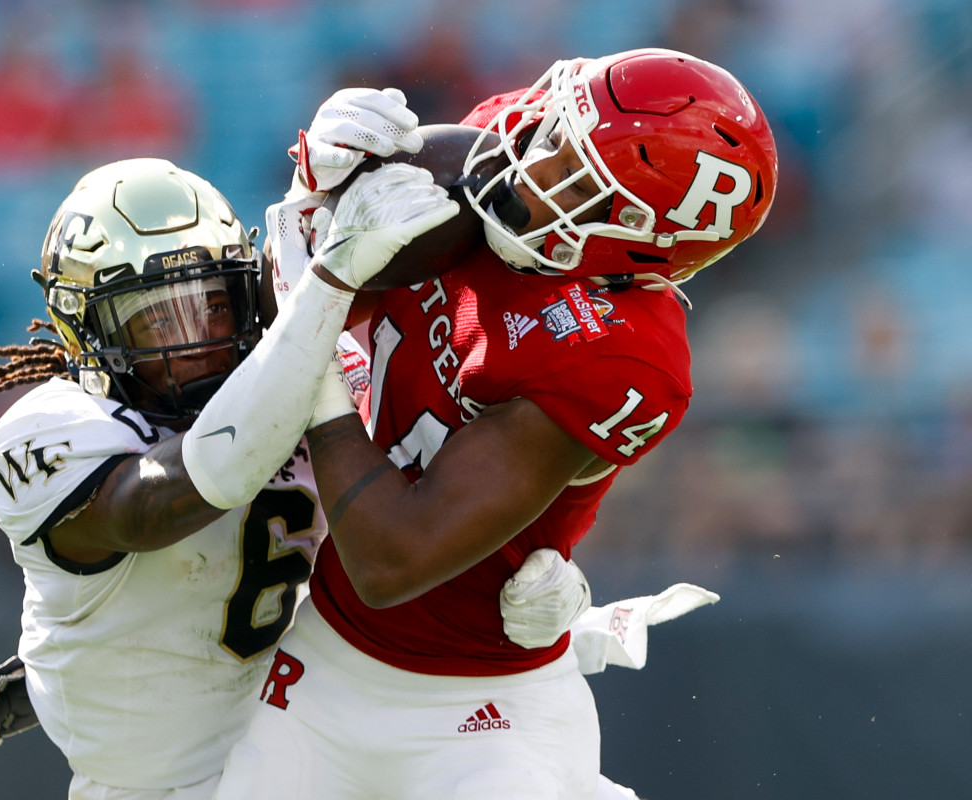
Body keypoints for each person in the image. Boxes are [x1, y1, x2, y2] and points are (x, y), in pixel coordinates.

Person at [215, 47, 778, 800]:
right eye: (554, 133)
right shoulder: (507, 140)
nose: (532, 162)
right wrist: (317, 197)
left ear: (640, 241)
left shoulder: (623, 355)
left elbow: (393, 559)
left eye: (573, 175)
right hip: (322, 656)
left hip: (484, 710)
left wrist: (314, 368)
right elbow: (277, 307)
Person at [0, 148, 461, 800]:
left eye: (213, 304)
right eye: (157, 315)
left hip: (320, 763)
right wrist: (321, 296)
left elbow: (420, 510)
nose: (196, 339)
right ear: (87, 332)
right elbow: (163, 500)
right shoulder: (50, 427)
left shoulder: (302, 379)